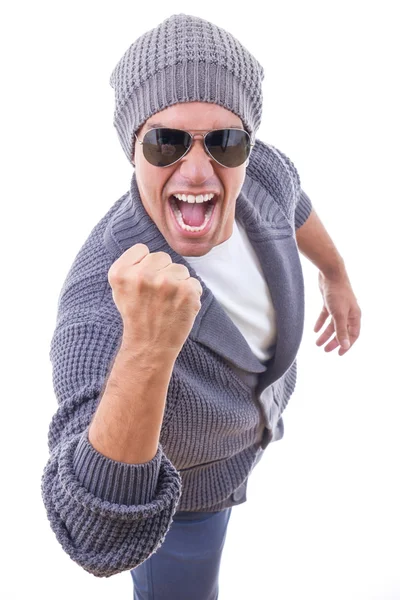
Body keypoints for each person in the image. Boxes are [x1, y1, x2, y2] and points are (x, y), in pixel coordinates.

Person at [41, 12, 361, 600]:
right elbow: (92, 532)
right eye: (165, 142)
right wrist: (147, 346)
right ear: (131, 150)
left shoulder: (260, 172)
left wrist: (335, 274)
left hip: (250, 440)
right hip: (188, 502)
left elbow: (294, 199)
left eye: (224, 141)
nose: (197, 170)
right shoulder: (99, 301)